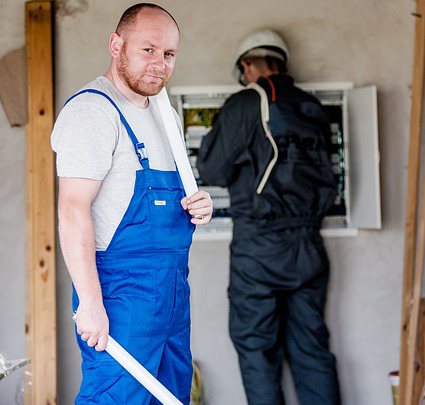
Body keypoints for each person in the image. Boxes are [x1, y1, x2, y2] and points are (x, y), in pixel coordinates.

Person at [51, 4, 213, 404]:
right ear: (116, 45)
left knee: (171, 396)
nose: (160, 63)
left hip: (173, 288)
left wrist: (199, 203)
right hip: (122, 294)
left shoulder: (163, 114)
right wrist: (90, 304)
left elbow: (164, 198)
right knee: (117, 398)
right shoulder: (92, 111)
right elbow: (72, 209)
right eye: (148, 50)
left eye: (169, 54)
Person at [197, 29, 341, 405]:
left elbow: (212, 169)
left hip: (260, 247)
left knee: (257, 350)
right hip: (309, 246)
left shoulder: (247, 102)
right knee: (311, 350)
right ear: (283, 63)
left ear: (247, 66)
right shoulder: (311, 107)